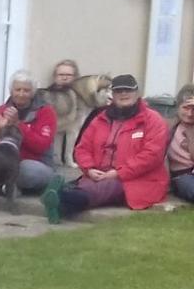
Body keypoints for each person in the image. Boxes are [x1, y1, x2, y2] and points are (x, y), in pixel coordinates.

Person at [52, 74, 167, 218]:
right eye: (119, 91)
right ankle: (64, 199)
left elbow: (152, 156)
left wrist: (118, 173)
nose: (123, 93)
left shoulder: (153, 120)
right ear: (112, 94)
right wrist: (89, 169)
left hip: (137, 180)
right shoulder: (99, 118)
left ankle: (64, 199)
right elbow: (82, 148)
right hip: (99, 175)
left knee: (105, 188)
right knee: (91, 185)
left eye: (128, 90)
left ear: (137, 93)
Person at [0, 70, 56, 192]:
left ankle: (5, 186)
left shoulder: (46, 112)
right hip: (4, 162)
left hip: (34, 164)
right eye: (18, 90)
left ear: (33, 93)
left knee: (26, 171)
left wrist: (18, 125)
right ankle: (8, 187)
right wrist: (0, 128)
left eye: (26, 90)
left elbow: (41, 146)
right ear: (11, 91)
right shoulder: (1, 110)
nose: (21, 94)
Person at [167, 84, 194, 203]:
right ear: (178, 107)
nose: (190, 113)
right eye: (186, 108)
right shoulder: (169, 127)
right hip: (182, 176)